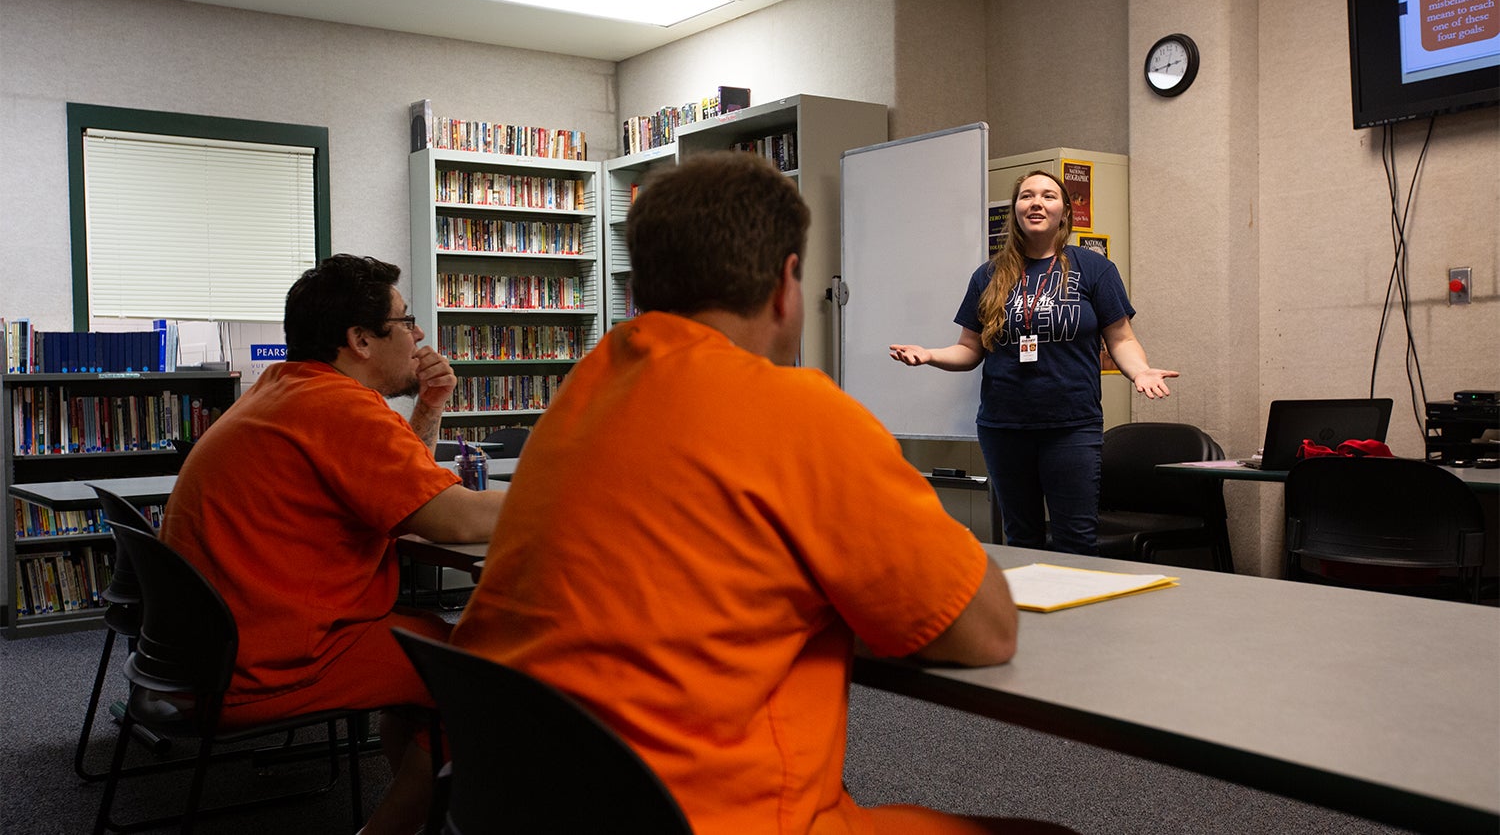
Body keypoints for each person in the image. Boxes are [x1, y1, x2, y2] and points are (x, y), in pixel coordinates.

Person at [452, 152, 1071, 835]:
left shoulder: (583, 394)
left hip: (532, 804)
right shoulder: (796, 411)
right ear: (785, 286)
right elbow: (984, 632)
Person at [161, 254, 506, 835]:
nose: (419, 334)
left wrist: (428, 408)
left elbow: (400, 491)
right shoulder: (338, 408)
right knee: (483, 678)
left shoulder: (285, 387)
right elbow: (450, 520)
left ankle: (422, 807)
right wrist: (573, 491)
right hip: (272, 660)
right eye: (406, 320)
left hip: (214, 647)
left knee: (428, 649)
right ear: (360, 340)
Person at [890, 170, 1177, 555]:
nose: (1036, 203)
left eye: (1047, 196)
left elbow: (1121, 338)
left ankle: (1078, 616)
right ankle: (1029, 616)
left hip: (1072, 426)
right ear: (1016, 211)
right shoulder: (989, 276)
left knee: (1075, 538)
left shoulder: (1094, 270)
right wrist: (929, 356)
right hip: (1004, 427)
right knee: (1020, 538)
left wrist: (1140, 371)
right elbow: (969, 349)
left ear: (1064, 213)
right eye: (1027, 196)